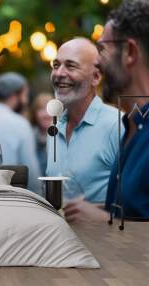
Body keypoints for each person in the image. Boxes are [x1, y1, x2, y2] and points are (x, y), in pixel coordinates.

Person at [46, 38, 123, 222]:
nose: (59, 73)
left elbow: (140, 207)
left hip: (105, 247)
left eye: (71, 66)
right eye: (56, 65)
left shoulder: (118, 126)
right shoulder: (55, 129)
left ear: (96, 77)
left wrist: (104, 218)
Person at [98, 0, 149, 219]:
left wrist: (101, 222)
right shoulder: (131, 125)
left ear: (129, 51)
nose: (97, 62)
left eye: (102, 49)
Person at [0, 72, 41, 192]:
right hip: (11, 197)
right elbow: (31, 174)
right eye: (25, 95)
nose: (26, 101)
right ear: (14, 96)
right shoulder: (21, 124)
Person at [29, 93, 54, 175]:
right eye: (41, 109)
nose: (45, 114)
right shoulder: (29, 135)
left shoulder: (64, 136)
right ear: (34, 113)